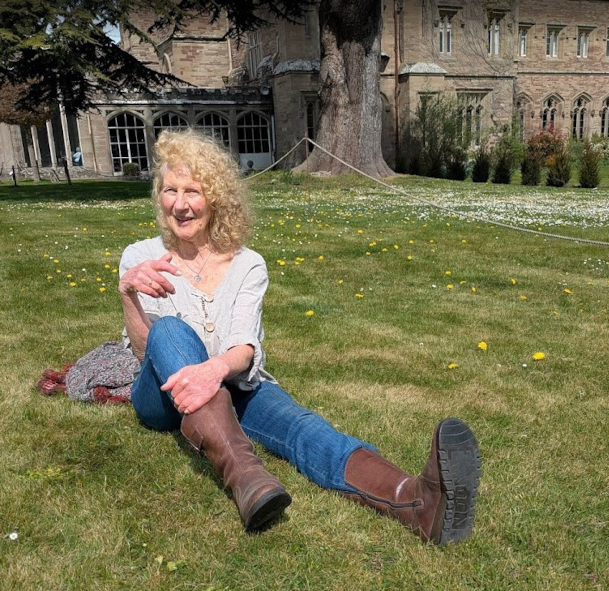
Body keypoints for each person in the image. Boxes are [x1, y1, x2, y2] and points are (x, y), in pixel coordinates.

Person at [118, 129, 481, 544]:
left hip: (232, 383)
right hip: (162, 397)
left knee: (300, 426)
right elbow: (146, 353)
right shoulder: (140, 257)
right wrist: (128, 294)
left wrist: (212, 373)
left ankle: (416, 501)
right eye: (170, 190)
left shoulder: (247, 265)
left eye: (192, 191)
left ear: (215, 199)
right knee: (168, 330)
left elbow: (243, 347)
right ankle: (246, 476)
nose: (179, 204)